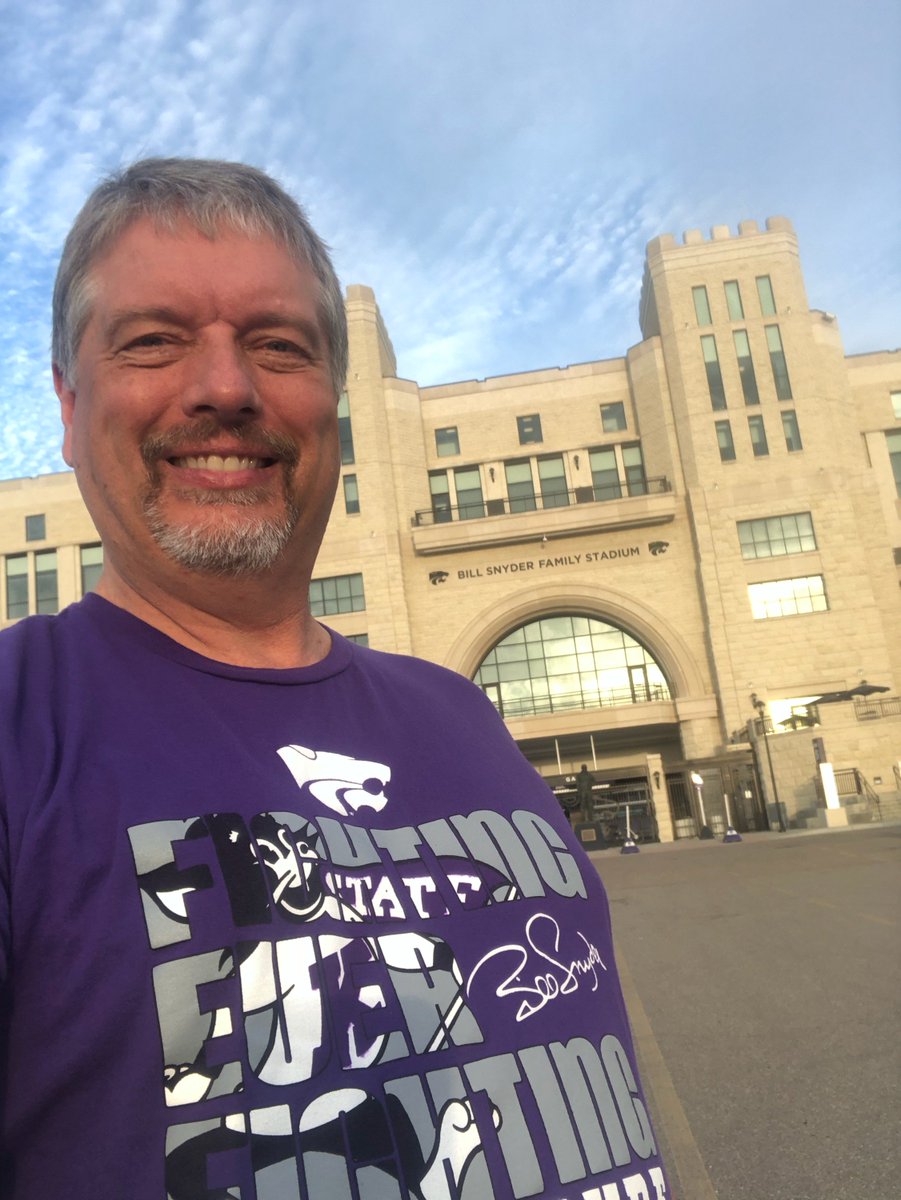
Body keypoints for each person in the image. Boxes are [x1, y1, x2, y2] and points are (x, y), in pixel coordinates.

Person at [0, 159, 669, 1200]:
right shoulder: (17, 726)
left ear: (333, 405)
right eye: (153, 341)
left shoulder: (460, 715)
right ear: (69, 402)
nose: (225, 387)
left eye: (278, 345)